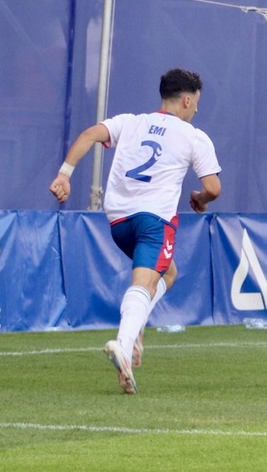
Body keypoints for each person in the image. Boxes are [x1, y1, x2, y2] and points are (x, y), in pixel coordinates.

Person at [48, 68, 222, 394]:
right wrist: (200, 198)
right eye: (196, 102)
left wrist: (64, 176)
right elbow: (213, 187)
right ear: (186, 100)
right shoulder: (193, 136)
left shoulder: (129, 122)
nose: (196, 109)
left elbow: (88, 135)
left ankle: (136, 329)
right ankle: (124, 346)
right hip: (154, 221)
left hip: (118, 223)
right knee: (144, 282)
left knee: (167, 273)